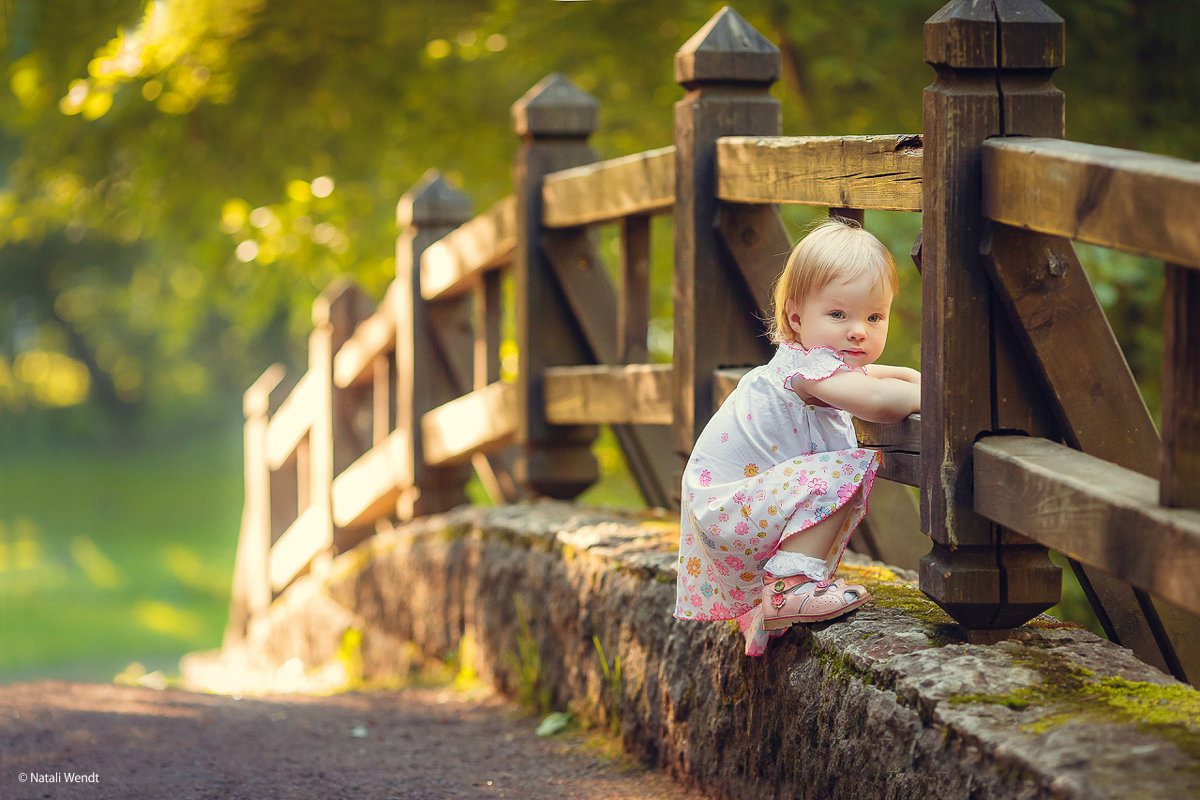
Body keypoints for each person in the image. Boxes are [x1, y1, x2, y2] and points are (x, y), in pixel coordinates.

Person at [673, 217, 921, 656]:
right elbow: (879, 400)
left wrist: (920, 380)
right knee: (843, 470)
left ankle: (772, 603)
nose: (858, 329)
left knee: (826, 475)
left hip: (728, 506)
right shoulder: (808, 370)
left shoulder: (811, 362)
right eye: (838, 314)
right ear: (795, 317)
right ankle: (792, 587)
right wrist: (936, 394)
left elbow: (880, 376)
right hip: (726, 509)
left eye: (874, 316)